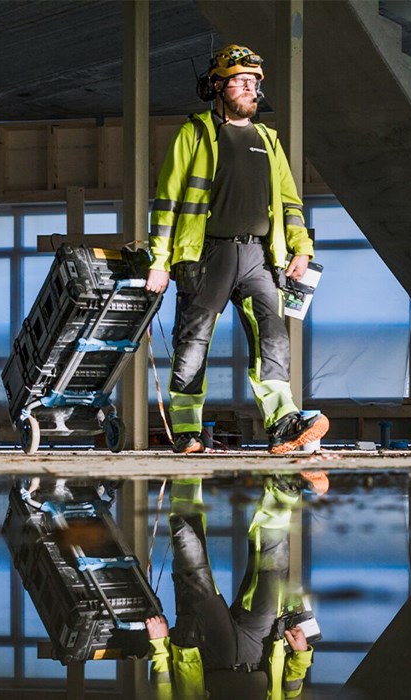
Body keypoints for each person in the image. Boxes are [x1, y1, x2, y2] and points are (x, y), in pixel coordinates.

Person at [146, 43, 328, 455]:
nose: (250, 89)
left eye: (254, 82)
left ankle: (282, 422)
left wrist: (301, 248)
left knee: (273, 336)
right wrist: (160, 262)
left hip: (260, 257)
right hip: (207, 255)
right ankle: (188, 430)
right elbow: (168, 203)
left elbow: (290, 203)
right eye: (240, 82)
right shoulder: (194, 134)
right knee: (193, 341)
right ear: (217, 87)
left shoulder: (268, 139)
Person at [145, 477, 318, 699]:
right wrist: (300, 656)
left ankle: (186, 471)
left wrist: (159, 645)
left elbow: (164, 694)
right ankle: (282, 490)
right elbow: (292, 694)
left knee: (189, 555)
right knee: (272, 570)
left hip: (206, 653)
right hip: (259, 652)